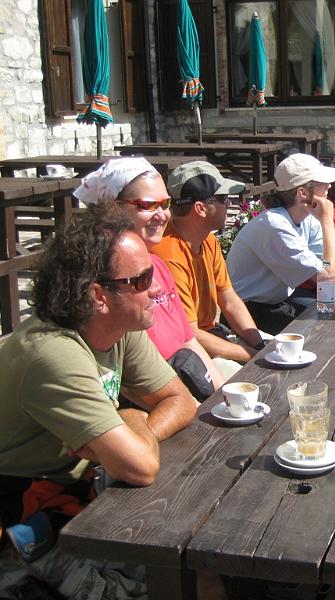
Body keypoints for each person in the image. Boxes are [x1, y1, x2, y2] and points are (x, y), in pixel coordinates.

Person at [0, 203, 197, 598]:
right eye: (142, 279)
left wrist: (131, 422)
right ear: (98, 295)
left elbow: (182, 400)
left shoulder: (120, 326)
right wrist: (129, 421)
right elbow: (140, 468)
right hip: (25, 522)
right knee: (175, 578)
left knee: (196, 564)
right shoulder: (53, 353)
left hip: (80, 497)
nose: (157, 288)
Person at [74, 157, 228, 398]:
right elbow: (126, 379)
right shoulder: (102, 282)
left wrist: (222, 397)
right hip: (155, 395)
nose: (163, 215)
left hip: (184, 376)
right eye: (147, 205)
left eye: (165, 203)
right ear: (113, 209)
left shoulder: (158, 265)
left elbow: (188, 340)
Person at [152, 161, 265, 364]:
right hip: (188, 351)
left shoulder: (208, 240)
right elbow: (190, 334)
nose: (229, 203)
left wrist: (260, 346)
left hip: (211, 338)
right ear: (200, 208)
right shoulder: (168, 254)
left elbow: (229, 300)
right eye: (223, 198)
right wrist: (253, 356)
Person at [226, 153, 335, 335]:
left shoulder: (307, 217)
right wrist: (327, 219)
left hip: (278, 301)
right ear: (302, 192)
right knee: (326, 329)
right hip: (249, 312)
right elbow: (327, 280)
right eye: (322, 182)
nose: (329, 186)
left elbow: (331, 271)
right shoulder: (275, 224)